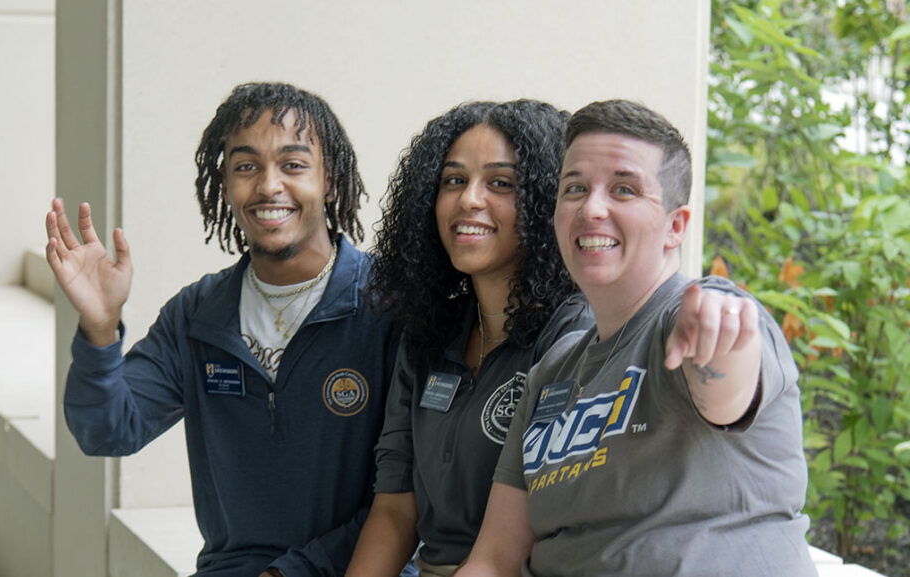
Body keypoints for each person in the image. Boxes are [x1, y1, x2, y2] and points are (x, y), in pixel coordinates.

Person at [45, 82, 398, 577]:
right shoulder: (198, 315)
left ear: (331, 180)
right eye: (246, 166)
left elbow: (412, 499)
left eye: (293, 165)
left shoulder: (389, 308)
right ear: (226, 183)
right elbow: (105, 431)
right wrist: (100, 329)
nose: (268, 186)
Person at [458, 99, 817, 577]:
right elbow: (494, 560)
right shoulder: (551, 372)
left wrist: (716, 337)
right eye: (575, 188)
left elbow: (727, 390)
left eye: (624, 189)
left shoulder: (699, 315)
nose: (592, 208)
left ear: (676, 227)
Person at [346, 100, 592, 577]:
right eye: (453, 181)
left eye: (500, 183)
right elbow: (396, 512)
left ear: (545, 201)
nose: (469, 200)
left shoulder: (575, 332)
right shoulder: (429, 331)